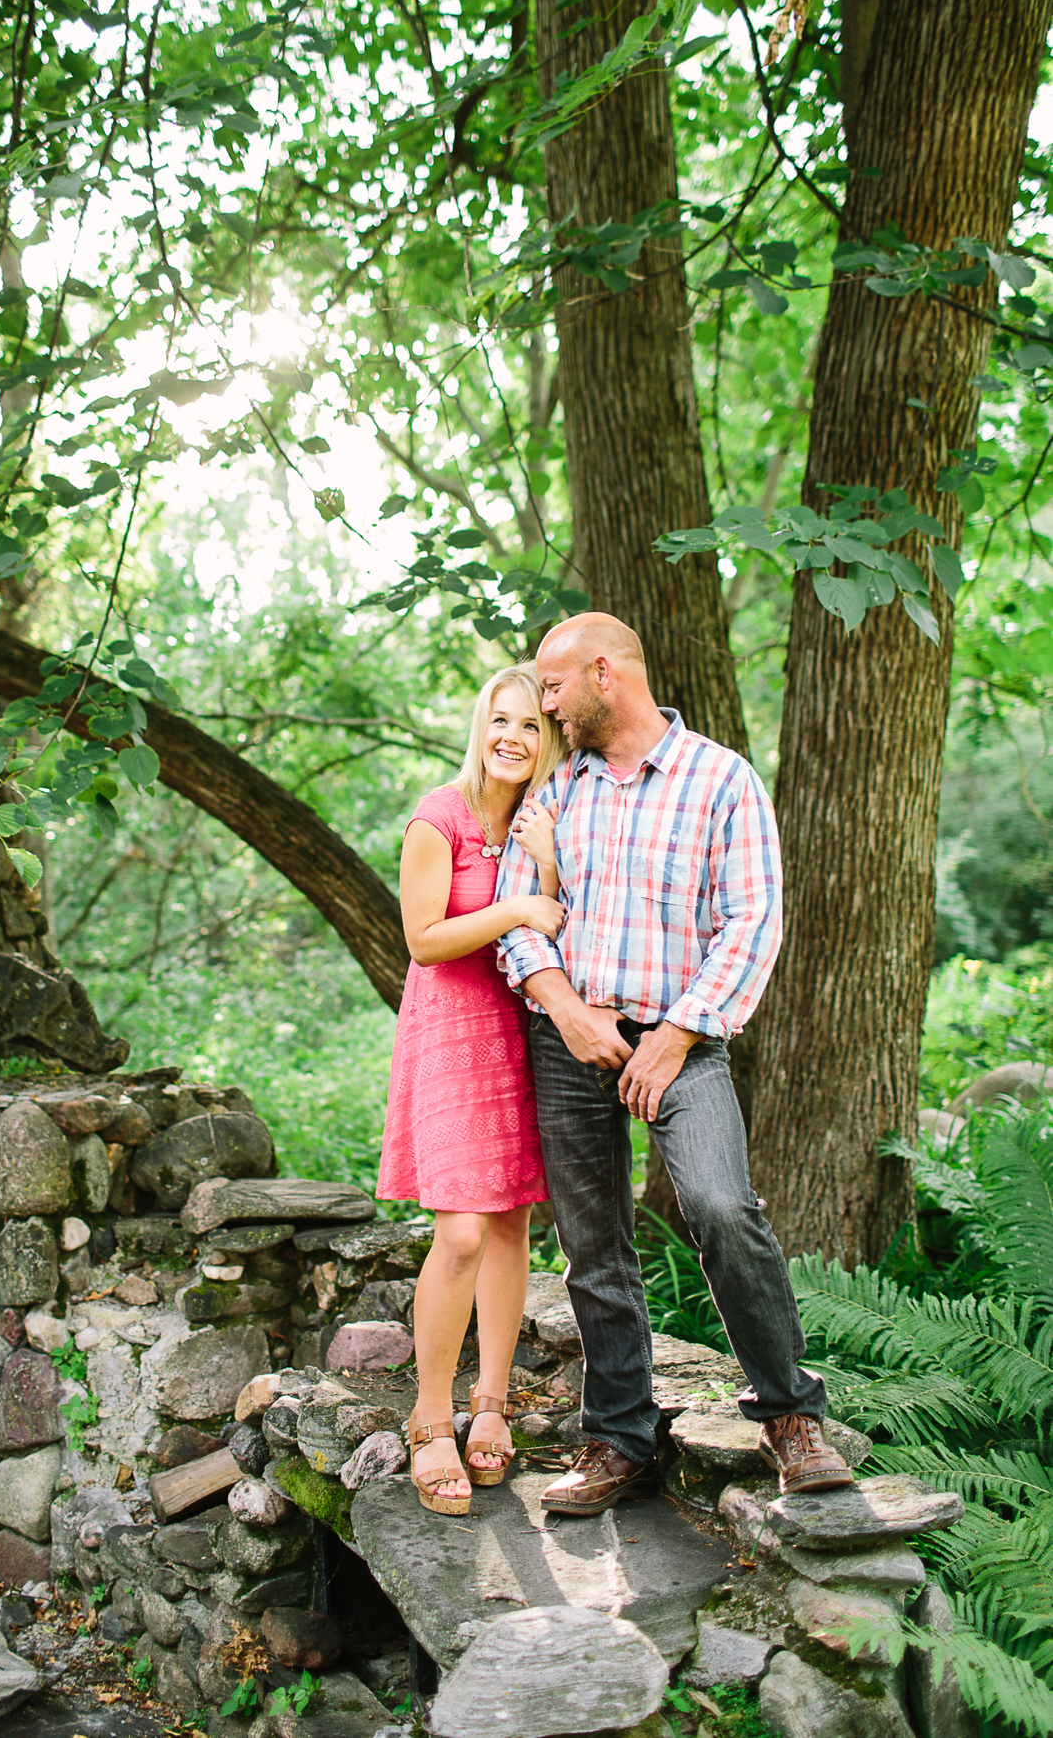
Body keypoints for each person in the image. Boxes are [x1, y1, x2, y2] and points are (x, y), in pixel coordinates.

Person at [492, 612, 851, 1516]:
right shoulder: (557, 789)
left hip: (682, 1040)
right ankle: (619, 1437)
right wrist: (567, 1011)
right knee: (592, 1243)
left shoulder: (721, 779)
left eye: (554, 684)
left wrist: (678, 1032)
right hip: (570, 1035)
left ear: (604, 672)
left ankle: (790, 1417)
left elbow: (753, 921)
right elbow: (515, 919)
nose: (546, 703)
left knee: (722, 1205)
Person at [380, 664, 566, 1513]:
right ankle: (430, 1414)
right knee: (457, 1231)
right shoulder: (440, 814)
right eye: (501, 719)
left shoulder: (543, 816)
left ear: (548, 738)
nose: (513, 738)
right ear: (479, 724)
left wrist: (547, 870)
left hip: (521, 1030)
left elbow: (564, 916)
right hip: (452, 1033)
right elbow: (424, 939)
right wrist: (516, 909)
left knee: (508, 1220)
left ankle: (491, 1400)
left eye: (530, 725)